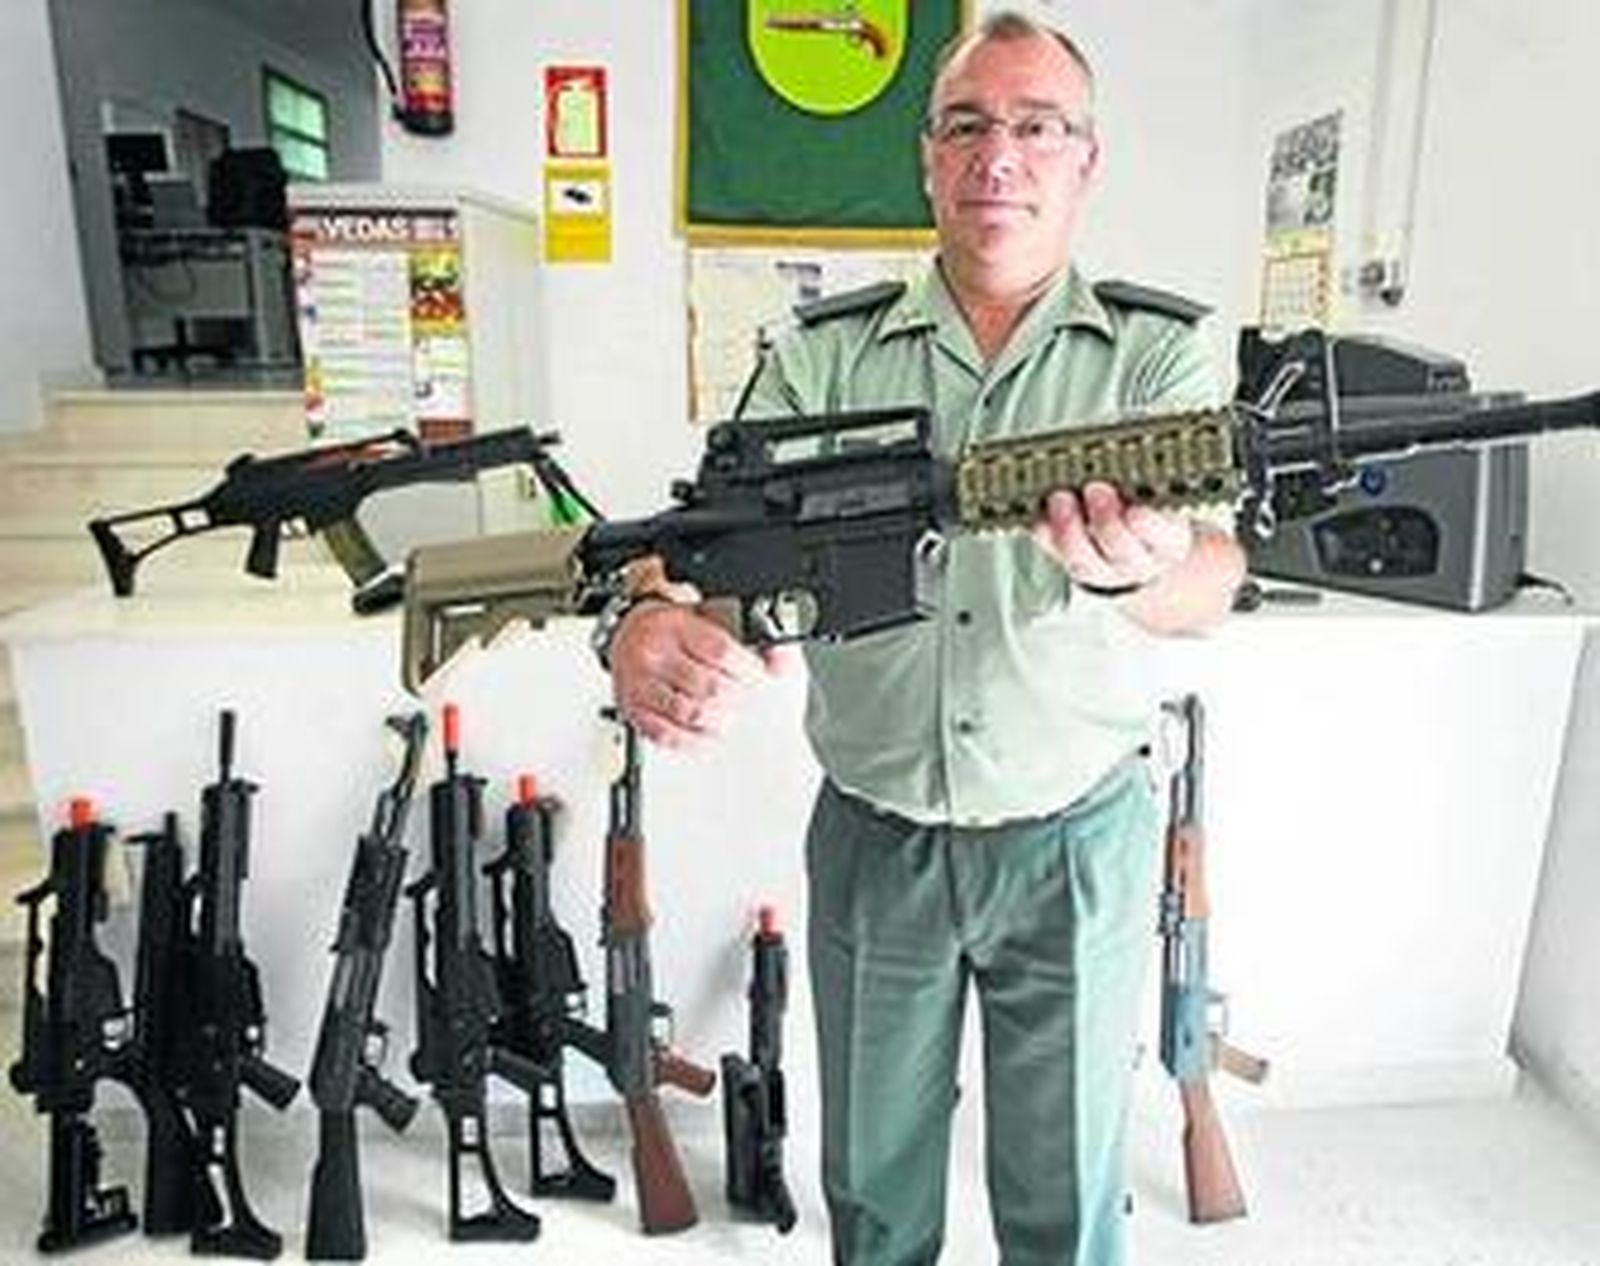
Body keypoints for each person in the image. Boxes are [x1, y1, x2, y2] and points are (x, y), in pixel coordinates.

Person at [601, 11, 1245, 1264]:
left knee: (1065, 1199)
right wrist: (641, 623)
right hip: (875, 845)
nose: (998, 154)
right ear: (927, 157)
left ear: (1083, 161)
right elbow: (705, 554)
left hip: (1074, 841)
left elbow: (1213, 579)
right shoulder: (819, 356)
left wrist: (1150, 564)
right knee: (874, 1194)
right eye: (967, 125)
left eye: (1035, 126)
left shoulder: (1158, 352)